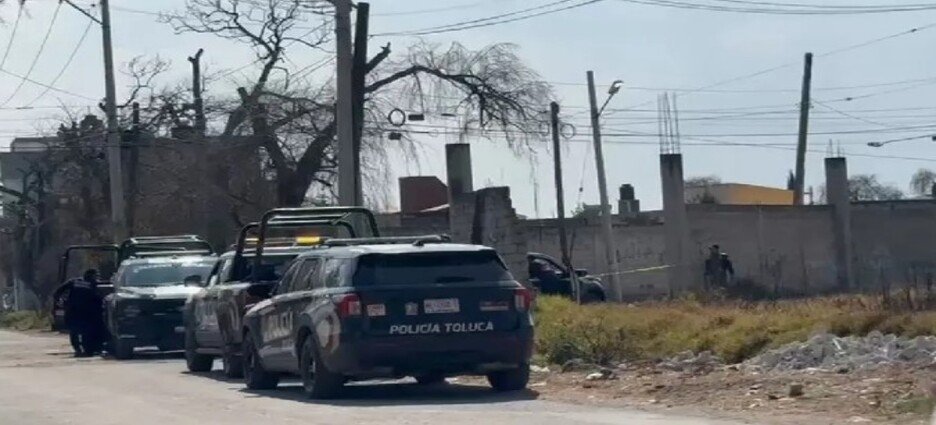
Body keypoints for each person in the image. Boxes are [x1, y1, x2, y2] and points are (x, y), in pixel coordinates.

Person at [65, 269, 104, 357]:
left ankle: (78, 350)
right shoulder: (93, 284)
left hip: (73, 311)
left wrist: (61, 301)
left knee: (74, 332)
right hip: (87, 312)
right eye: (95, 276)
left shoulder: (74, 281)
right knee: (87, 332)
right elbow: (98, 297)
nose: (96, 278)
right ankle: (88, 351)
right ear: (92, 276)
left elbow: (59, 291)